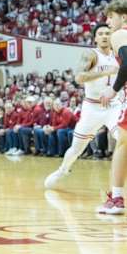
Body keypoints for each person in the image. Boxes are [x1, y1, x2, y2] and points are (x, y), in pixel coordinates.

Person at [45, 23, 120, 188]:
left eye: (107, 33)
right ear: (95, 38)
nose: (105, 36)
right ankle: (63, 170)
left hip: (114, 106)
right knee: (76, 149)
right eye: (101, 34)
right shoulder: (91, 54)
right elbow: (79, 77)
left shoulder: (119, 54)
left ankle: (118, 187)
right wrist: (106, 71)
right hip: (92, 107)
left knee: (123, 139)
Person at [96, 0, 127, 214]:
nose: (107, 22)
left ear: (123, 17)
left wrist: (113, 89)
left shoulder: (120, 34)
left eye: (110, 17)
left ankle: (116, 198)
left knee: (122, 143)